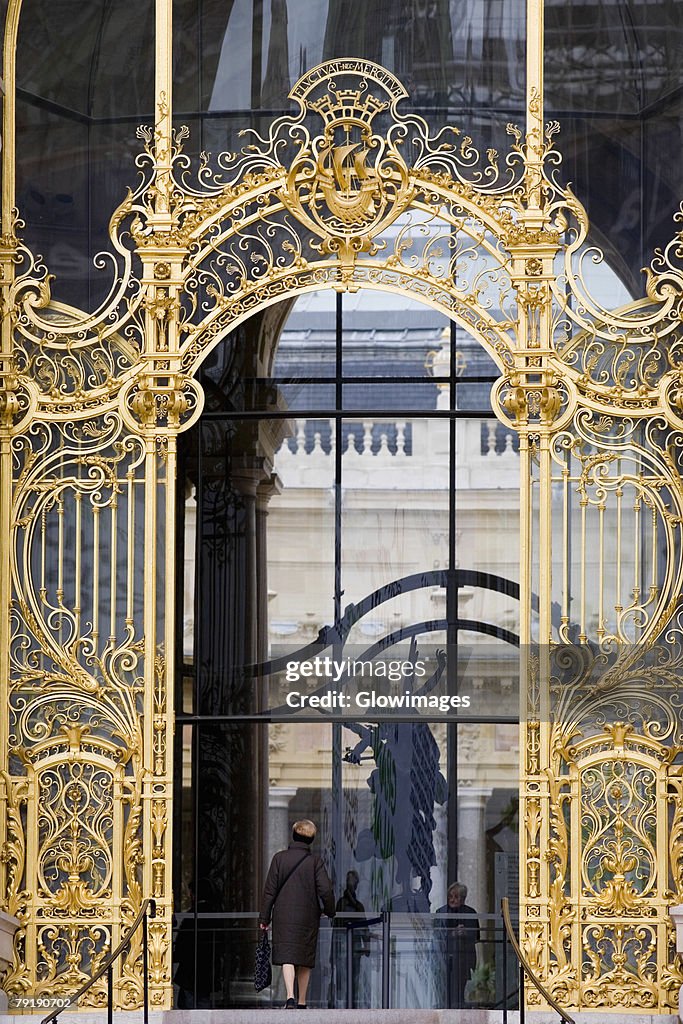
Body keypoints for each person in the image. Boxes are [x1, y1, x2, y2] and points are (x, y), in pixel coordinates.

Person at [260, 819, 336, 1008]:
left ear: (293, 836)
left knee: (288, 956)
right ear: (310, 840)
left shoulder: (279, 858)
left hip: (283, 915)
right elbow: (326, 890)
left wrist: (264, 917)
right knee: (305, 957)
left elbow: (270, 890)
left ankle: (290, 997)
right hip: (308, 916)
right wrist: (329, 911)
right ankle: (302, 1001)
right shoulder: (314, 862)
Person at [435, 882, 480, 1008]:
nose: (452, 900)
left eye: (456, 897)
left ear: (463, 898)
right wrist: (452, 933)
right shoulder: (441, 912)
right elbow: (436, 935)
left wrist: (466, 932)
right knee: (445, 986)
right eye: (450, 896)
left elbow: (476, 937)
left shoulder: (470, 913)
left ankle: (459, 1005)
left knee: (460, 986)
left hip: (463, 957)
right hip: (444, 957)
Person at [333, 870, 370, 1007]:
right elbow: (336, 930)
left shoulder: (352, 905)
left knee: (349, 979)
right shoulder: (346, 904)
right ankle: (347, 1005)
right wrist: (367, 946)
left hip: (350, 948)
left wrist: (367, 946)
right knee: (347, 979)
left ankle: (348, 1005)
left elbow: (363, 926)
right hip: (347, 947)